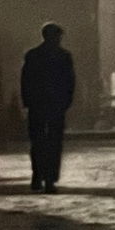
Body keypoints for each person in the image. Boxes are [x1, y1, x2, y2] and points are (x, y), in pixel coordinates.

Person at [20, 22, 76, 193]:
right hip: (55, 106)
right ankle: (50, 179)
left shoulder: (33, 55)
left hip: (37, 105)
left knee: (38, 142)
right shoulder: (64, 56)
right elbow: (70, 82)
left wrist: (27, 101)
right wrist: (66, 102)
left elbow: (25, 80)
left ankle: (38, 175)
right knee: (53, 143)